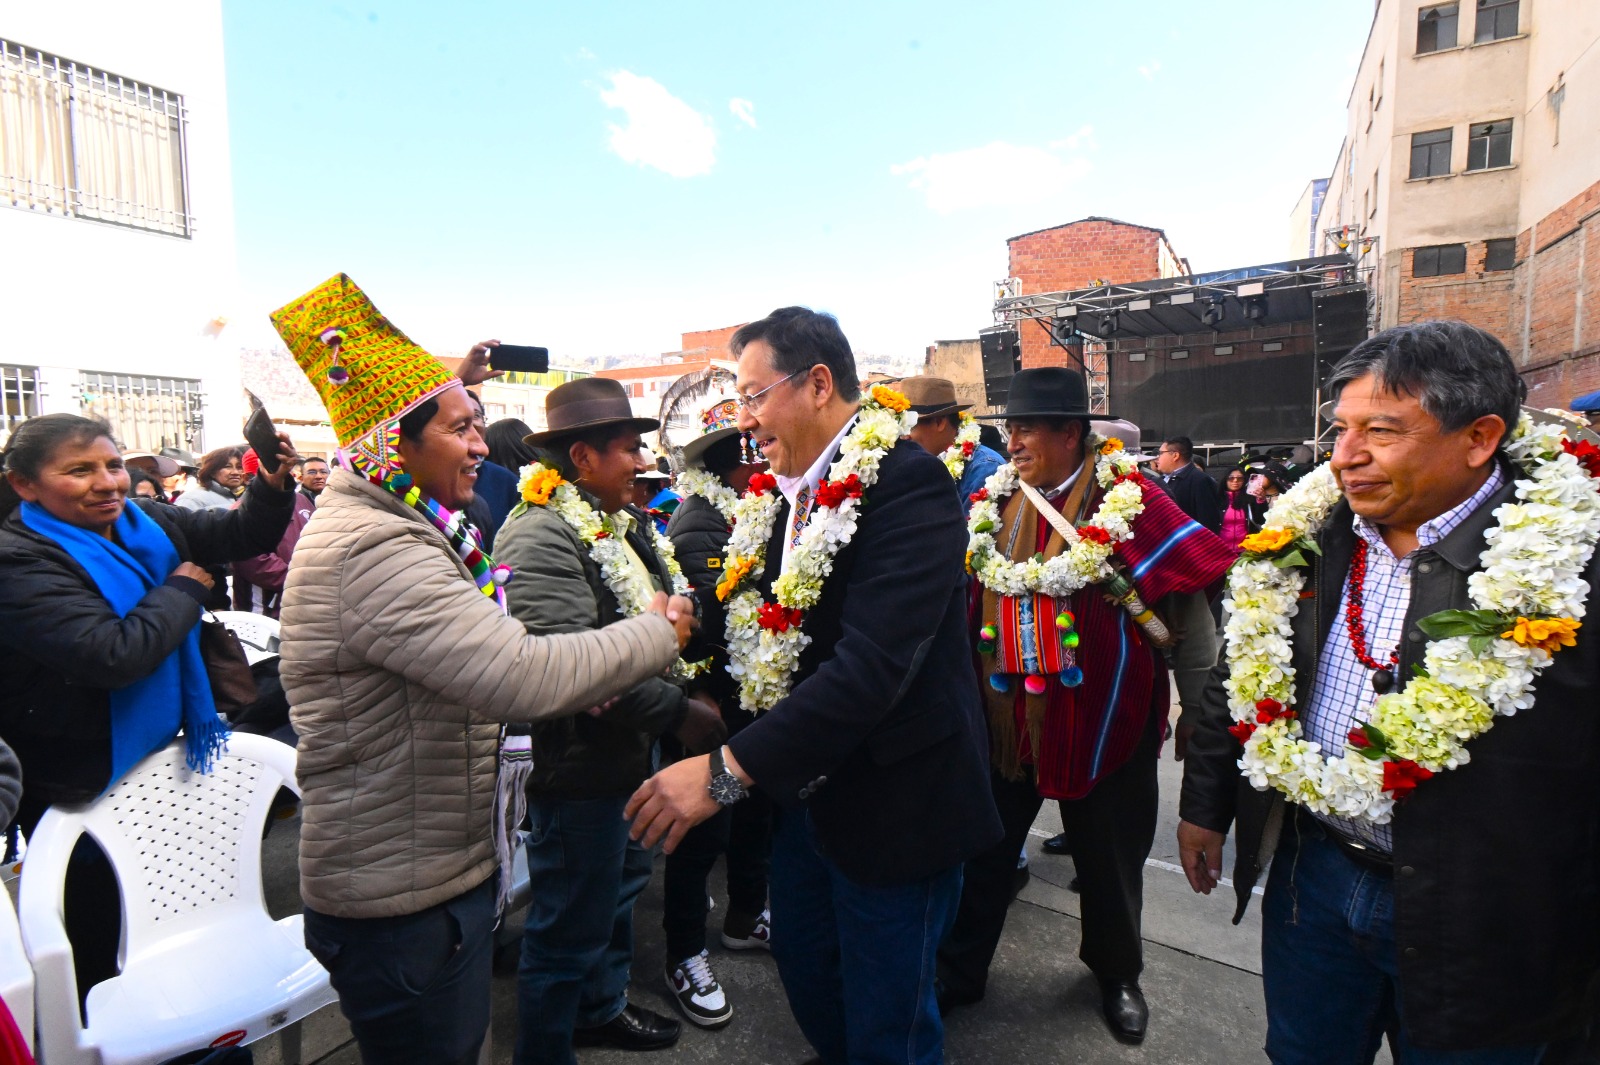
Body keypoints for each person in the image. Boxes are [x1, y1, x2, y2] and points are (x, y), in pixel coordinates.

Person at [274, 274, 694, 1065]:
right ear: (391, 445)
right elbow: (521, 673)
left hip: (428, 871)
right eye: (461, 428)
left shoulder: (405, 523)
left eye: (478, 424)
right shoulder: (375, 546)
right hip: (400, 894)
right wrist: (656, 633)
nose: (480, 446)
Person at [1178, 320, 1600, 1064]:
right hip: (1315, 874)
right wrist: (1205, 806)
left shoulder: (1565, 564)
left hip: (1487, 910)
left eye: (1380, 431)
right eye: (1341, 429)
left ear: (1479, 438)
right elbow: (1237, 676)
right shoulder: (1304, 538)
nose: (1345, 457)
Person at [625, 306, 1003, 1065]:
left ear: (819, 383)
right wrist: (688, 621)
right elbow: (764, 617)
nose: (744, 420)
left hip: (897, 807)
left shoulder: (907, 483)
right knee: (808, 973)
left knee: (890, 1021)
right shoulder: (782, 493)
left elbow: (872, 667)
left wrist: (723, 773)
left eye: (754, 397)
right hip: (807, 798)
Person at [937, 367, 1236, 1043]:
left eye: (1027, 430)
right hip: (1005, 720)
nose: (1013, 442)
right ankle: (958, 969)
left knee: (1109, 859)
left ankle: (1117, 973)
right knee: (984, 851)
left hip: (1107, 718)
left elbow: (1191, 616)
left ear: (1071, 434)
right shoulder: (992, 499)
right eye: (1010, 429)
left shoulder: (1135, 499)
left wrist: (1197, 709)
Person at [0, 411, 298, 997]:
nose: (106, 483)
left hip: (167, 749)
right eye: (79, 471)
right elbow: (111, 654)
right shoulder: (18, 558)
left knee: (178, 906)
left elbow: (241, 535)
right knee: (101, 924)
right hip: (80, 772)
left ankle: (190, 1008)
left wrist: (271, 482)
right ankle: (100, 1018)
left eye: (113, 465)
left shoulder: (148, 520)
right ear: (24, 484)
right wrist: (184, 588)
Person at [494, 378, 726, 1063]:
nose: (641, 462)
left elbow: (661, 617)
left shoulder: (619, 520)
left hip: (626, 752)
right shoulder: (539, 534)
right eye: (628, 449)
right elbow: (574, 667)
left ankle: (598, 1009)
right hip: (579, 766)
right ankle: (546, 1048)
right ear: (582, 456)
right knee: (569, 922)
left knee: (617, 891)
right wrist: (680, 714)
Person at [658, 399, 775, 1029]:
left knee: (755, 815)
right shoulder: (700, 522)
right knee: (706, 829)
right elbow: (700, 625)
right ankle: (684, 952)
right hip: (719, 714)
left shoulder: (753, 508)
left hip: (753, 710)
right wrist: (704, 691)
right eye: (756, 450)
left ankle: (744, 916)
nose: (766, 459)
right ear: (738, 460)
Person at [899, 374, 1005, 517]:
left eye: (909, 427)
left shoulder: (984, 467)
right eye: (900, 427)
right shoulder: (911, 462)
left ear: (939, 422)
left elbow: (971, 528)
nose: (904, 436)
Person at [1152, 435, 1222, 533]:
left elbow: (1208, 522)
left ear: (1175, 456)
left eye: (1161, 453)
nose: (1157, 458)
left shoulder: (1200, 481)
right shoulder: (1160, 480)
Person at [176, 445, 246, 512]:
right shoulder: (192, 499)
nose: (235, 472)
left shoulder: (245, 498)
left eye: (239, 467)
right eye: (227, 466)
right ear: (212, 471)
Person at [1218, 467, 1250, 551]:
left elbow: (1259, 519)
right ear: (1225, 479)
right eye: (1231, 478)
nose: (1235, 481)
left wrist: (1260, 500)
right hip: (1221, 550)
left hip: (1246, 550)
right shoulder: (1217, 499)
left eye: (1240, 478)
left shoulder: (1249, 499)